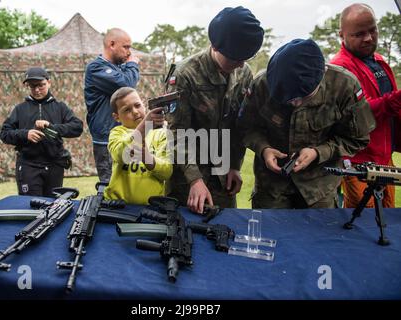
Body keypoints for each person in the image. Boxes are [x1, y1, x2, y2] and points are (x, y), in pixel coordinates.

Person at [237, 39, 376, 209]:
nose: (295, 104)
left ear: (322, 73)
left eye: (303, 97)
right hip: (272, 189)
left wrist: (319, 153)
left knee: (319, 235)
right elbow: (245, 127)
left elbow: (358, 138)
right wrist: (263, 149)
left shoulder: (345, 86)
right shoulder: (262, 84)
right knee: (268, 234)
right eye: (288, 100)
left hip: (319, 189)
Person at [165, 6, 264, 214]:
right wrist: (195, 180)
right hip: (187, 177)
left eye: (245, 58)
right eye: (235, 58)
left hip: (222, 175)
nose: (240, 64)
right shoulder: (186, 75)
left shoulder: (243, 73)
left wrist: (235, 165)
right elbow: (176, 133)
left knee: (224, 230)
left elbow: (239, 125)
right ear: (216, 46)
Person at [330, 3, 401, 208]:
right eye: (359, 34)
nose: (369, 38)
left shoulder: (379, 61)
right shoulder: (339, 69)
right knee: (363, 223)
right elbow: (359, 116)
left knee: (388, 218)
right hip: (358, 162)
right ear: (342, 35)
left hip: (384, 159)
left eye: (372, 30)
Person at [0, 67, 83, 197]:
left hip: (54, 166)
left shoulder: (60, 107)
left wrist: (52, 127)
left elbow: (77, 127)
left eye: (41, 85)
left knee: (53, 208)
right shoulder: (20, 109)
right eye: (32, 86)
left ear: (49, 82)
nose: (37, 90)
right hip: (28, 166)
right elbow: (4, 133)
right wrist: (26, 134)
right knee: (30, 208)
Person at [84, 28, 140, 183]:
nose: (129, 52)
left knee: (129, 187)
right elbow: (127, 85)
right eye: (126, 47)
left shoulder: (119, 68)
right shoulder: (96, 68)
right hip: (106, 141)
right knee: (110, 188)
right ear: (112, 44)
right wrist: (133, 65)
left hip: (124, 136)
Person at [103, 87, 172, 204]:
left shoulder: (161, 133)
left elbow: (167, 172)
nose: (135, 112)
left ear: (144, 105)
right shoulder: (117, 133)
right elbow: (120, 154)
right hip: (117, 206)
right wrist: (145, 125)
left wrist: (147, 158)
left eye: (137, 105)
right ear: (116, 117)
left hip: (151, 207)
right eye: (127, 110)